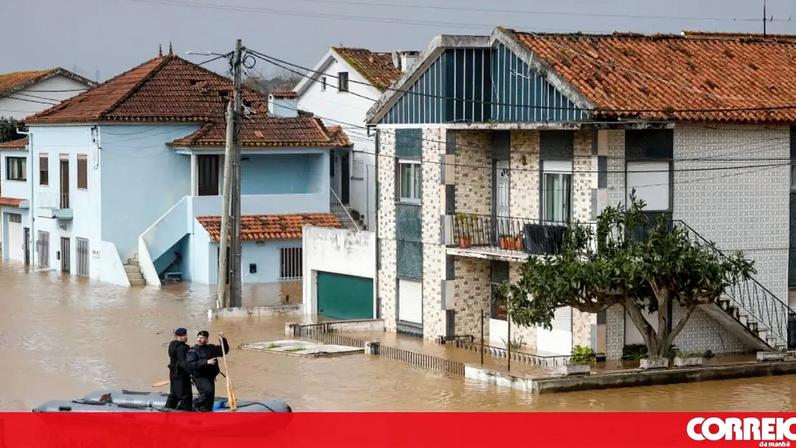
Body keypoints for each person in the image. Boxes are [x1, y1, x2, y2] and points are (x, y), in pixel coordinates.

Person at [185, 330, 229, 412]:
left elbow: (224, 350)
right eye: (198, 337)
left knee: (211, 396)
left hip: (210, 376)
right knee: (207, 392)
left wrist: (222, 339)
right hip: (199, 376)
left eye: (201, 338)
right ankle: (194, 405)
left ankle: (206, 411)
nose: (199, 339)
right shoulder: (192, 351)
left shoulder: (211, 348)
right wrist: (206, 362)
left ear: (207, 339)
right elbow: (191, 364)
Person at [164, 327, 192, 411]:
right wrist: (192, 372)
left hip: (173, 373)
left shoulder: (172, 345)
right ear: (179, 337)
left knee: (174, 392)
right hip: (181, 374)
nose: (186, 337)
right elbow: (183, 362)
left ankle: (168, 409)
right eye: (184, 335)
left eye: (186, 335)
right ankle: (186, 412)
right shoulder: (182, 348)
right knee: (186, 394)